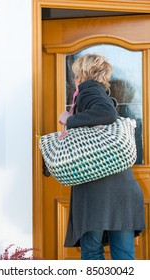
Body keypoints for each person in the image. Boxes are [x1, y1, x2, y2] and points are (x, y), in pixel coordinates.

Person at [58, 54, 145, 260]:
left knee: (92, 253)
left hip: (95, 192)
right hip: (122, 191)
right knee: (124, 257)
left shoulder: (88, 91)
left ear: (82, 73)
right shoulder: (103, 93)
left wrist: (69, 120)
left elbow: (106, 114)